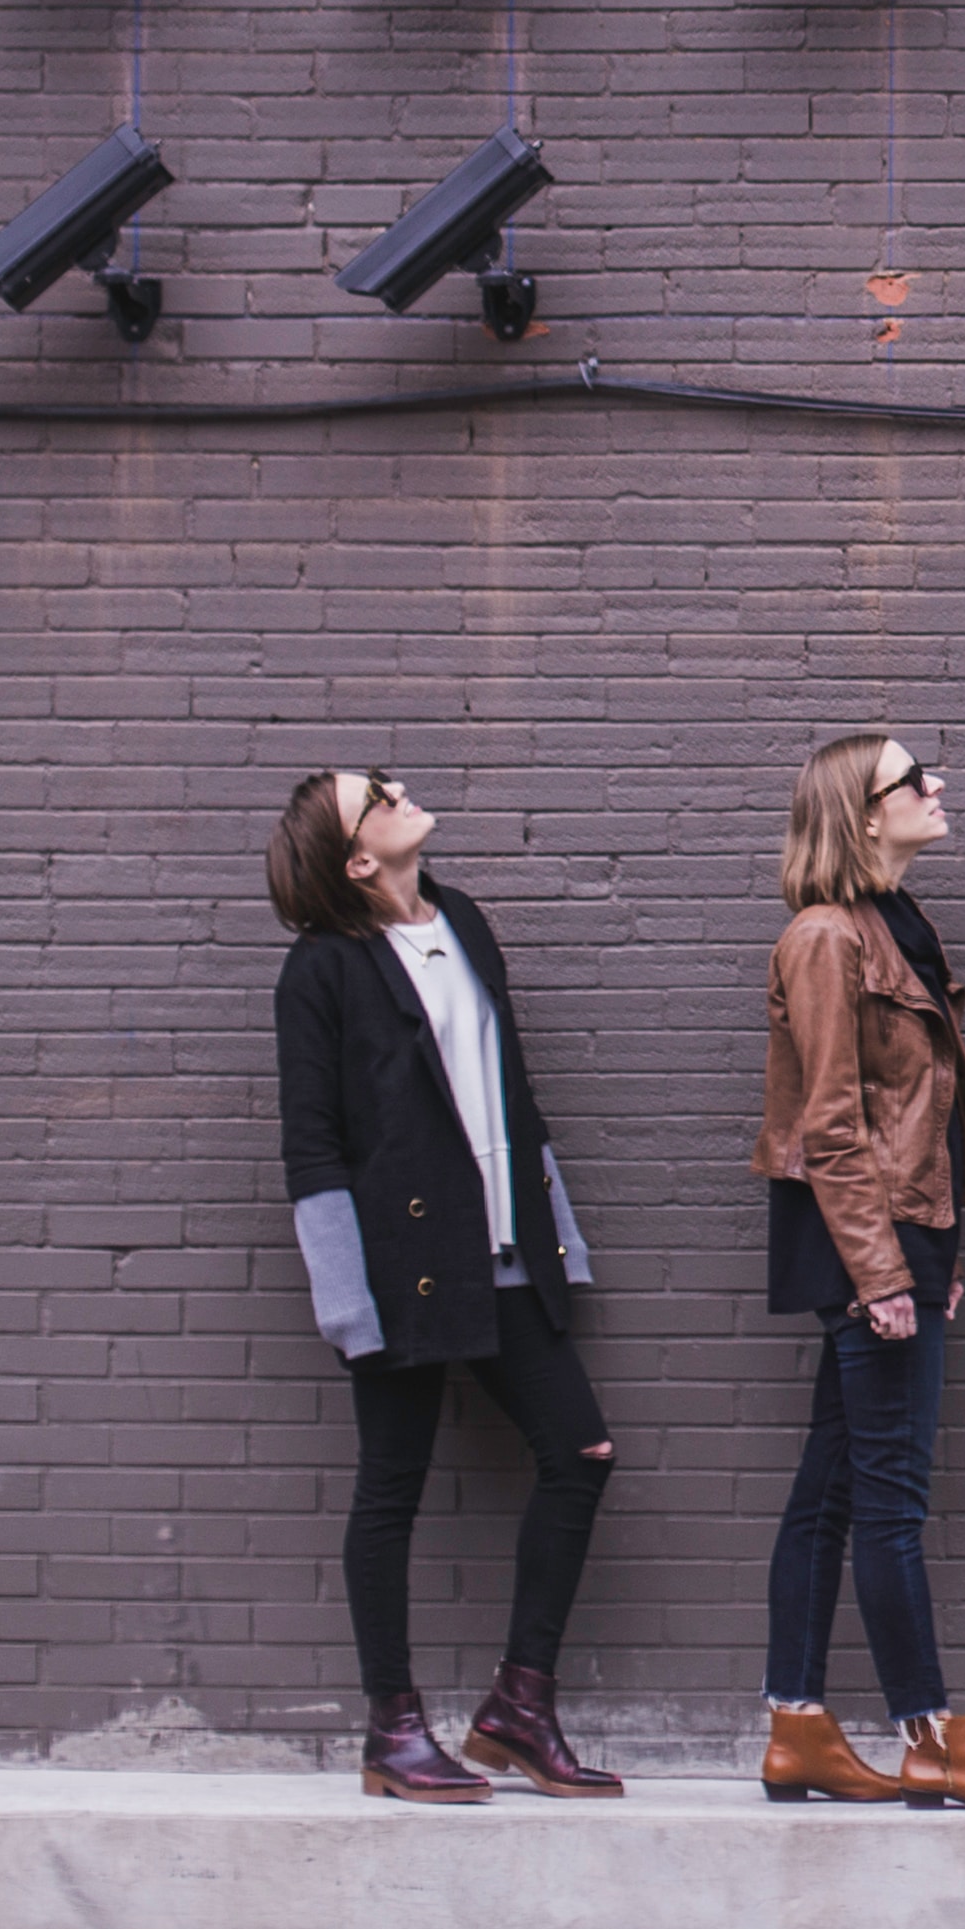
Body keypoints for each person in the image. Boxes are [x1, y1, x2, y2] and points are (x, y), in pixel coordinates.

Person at [265, 765, 623, 1803]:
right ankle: (393, 1729)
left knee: (582, 1452)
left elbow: (511, 1091)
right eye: (376, 794)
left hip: (507, 1252)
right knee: (391, 1490)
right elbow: (312, 1150)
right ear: (357, 858)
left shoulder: (462, 920)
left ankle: (518, 1707)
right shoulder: (321, 973)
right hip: (401, 1272)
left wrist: (560, 1236)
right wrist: (346, 1303)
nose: (399, 788)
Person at [752, 729, 965, 1812]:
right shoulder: (827, 939)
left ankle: (796, 1727)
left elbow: (916, 1118)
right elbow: (831, 1126)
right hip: (862, 1244)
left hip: (895, 1237)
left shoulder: (893, 923)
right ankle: (930, 1735)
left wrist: (935, 1251)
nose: (939, 784)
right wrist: (885, 1271)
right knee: (891, 1500)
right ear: (862, 812)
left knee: (830, 1493)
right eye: (913, 778)